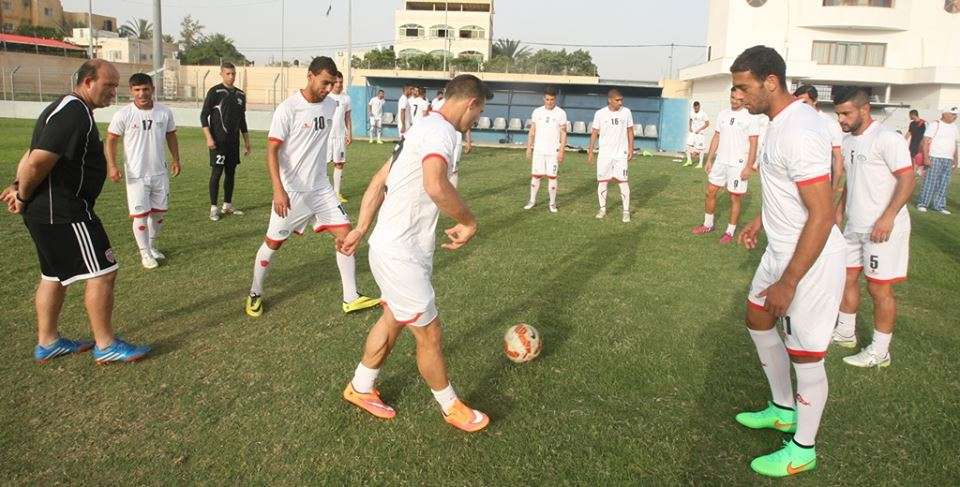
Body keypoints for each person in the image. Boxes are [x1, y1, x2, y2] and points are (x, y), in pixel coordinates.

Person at [337, 74, 494, 432]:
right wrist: (469, 221)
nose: (477, 121)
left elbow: (380, 180)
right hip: (400, 254)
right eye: (479, 112)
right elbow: (435, 184)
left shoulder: (423, 127)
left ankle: (361, 387)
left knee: (393, 319)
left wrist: (362, 227)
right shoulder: (440, 132)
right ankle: (450, 406)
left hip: (395, 248)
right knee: (430, 333)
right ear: (470, 103)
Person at [732, 45, 846, 478]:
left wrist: (791, 280)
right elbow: (788, 189)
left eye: (744, 87)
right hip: (780, 249)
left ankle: (803, 448)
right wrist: (760, 220)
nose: (738, 96)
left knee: (807, 356)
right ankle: (782, 408)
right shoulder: (777, 124)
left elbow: (821, 212)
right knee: (757, 318)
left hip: (810, 260)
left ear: (771, 82)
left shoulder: (799, 129)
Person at [0, 59, 150, 364]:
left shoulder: (67, 109)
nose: (113, 92)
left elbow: (31, 154)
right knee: (104, 272)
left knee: (53, 275)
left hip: (51, 212)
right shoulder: (74, 112)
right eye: (108, 85)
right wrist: (24, 196)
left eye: (115, 86)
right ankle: (106, 345)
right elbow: (38, 161)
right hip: (65, 213)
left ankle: (48, 341)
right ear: (87, 82)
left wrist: (19, 185)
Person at [244, 57, 379, 319]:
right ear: (310, 76)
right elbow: (271, 151)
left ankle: (350, 297)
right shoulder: (289, 108)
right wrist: (278, 190)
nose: (329, 88)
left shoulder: (332, 105)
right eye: (325, 82)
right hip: (292, 192)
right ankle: (255, 292)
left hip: (321, 189)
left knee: (346, 236)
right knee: (272, 244)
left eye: (332, 83)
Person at [831, 86, 915, 368]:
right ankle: (845, 332)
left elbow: (907, 179)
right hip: (855, 225)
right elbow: (852, 182)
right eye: (838, 113)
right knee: (846, 277)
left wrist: (888, 217)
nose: (841, 119)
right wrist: (840, 211)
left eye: (846, 113)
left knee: (879, 290)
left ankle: (880, 351)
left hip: (883, 229)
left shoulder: (886, 139)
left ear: (864, 109)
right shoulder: (848, 141)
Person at [105, 73, 181, 270]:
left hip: (159, 172)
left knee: (158, 214)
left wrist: (176, 159)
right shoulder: (123, 114)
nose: (142, 93)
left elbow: (171, 135)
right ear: (131, 91)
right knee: (140, 215)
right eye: (137, 90)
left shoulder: (164, 112)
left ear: (152, 89)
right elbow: (111, 139)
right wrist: (112, 166)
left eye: (145, 89)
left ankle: (152, 245)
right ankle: (144, 253)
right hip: (136, 174)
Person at [692, 87, 760, 243]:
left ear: (746, 99)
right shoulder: (723, 114)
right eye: (733, 97)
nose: (735, 101)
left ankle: (729, 232)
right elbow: (716, 136)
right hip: (720, 161)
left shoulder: (751, 117)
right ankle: (708, 225)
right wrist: (709, 159)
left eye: (739, 99)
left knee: (735, 198)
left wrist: (749, 166)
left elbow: (754, 143)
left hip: (738, 164)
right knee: (710, 191)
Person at [201, 62, 251, 221]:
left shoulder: (240, 95)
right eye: (228, 74)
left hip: (233, 142)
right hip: (218, 142)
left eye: (233, 74)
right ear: (221, 74)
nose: (231, 77)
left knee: (231, 173)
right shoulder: (215, 92)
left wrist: (246, 141)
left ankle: (227, 205)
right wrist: (209, 137)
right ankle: (213, 208)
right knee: (217, 172)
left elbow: (242, 120)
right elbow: (204, 116)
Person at [588, 89, 635, 223]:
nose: (620, 102)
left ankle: (626, 212)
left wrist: (630, 148)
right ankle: (602, 209)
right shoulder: (600, 114)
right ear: (610, 100)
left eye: (621, 100)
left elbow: (630, 131)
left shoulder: (626, 112)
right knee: (603, 182)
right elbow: (594, 132)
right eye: (617, 100)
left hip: (621, 154)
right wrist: (591, 151)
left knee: (623, 182)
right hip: (605, 155)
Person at [524, 87, 568, 212]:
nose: (549, 102)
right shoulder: (537, 112)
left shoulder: (561, 113)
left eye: (552, 99)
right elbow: (532, 131)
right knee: (536, 176)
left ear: (556, 99)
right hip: (538, 150)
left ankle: (552, 203)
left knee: (552, 177)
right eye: (547, 99)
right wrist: (529, 148)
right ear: (544, 98)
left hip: (553, 151)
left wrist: (561, 150)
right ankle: (532, 201)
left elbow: (564, 133)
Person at [794, 84, 844, 191]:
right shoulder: (793, 122)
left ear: (815, 101)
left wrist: (833, 189)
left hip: (819, 184)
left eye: (805, 102)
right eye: (797, 103)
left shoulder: (829, 123)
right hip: (795, 182)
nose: (801, 106)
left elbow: (838, 158)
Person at [915, 106, 959, 214]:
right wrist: (926, 158)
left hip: (948, 159)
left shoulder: (954, 127)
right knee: (930, 181)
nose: (955, 116)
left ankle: (939, 205)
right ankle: (922, 203)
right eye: (952, 114)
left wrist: (956, 158)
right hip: (934, 157)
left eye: (956, 115)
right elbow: (925, 141)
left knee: (944, 183)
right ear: (944, 114)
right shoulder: (935, 124)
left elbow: (955, 143)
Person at [328, 71, 352, 203]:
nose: (339, 84)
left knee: (339, 163)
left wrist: (349, 133)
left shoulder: (346, 98)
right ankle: (323, 193)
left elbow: (348, 117)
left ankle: (336, 193)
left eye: (341, 82)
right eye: (336, 82)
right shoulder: (326, 97)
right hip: (326, 136)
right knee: (322, 163)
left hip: (340, 135)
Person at [684, 101, 710, 167]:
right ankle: (689, 161)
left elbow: (707, 123)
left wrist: (699, 129)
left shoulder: (703, 114)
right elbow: (690, 119)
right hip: (693, 133)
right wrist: (689, 127)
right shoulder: (691, 112)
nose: (696, 109)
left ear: (699, 107)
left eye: (697, 108)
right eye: (695, 108)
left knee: (701, 149)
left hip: (700, 134)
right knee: (687, 146)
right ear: (693, 107)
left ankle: (700, 164)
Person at [904, 109, 926, 174]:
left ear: (913, 115)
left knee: (917, 158)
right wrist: (903, 140)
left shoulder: (923, 123)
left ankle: (916, 171)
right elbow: (909, 132)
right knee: (911, 157)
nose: (909, 117)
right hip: (913, 143)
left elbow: (926, 134)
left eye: (910, 115)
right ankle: (913, 171)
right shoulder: (912, 123)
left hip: (920, 143)